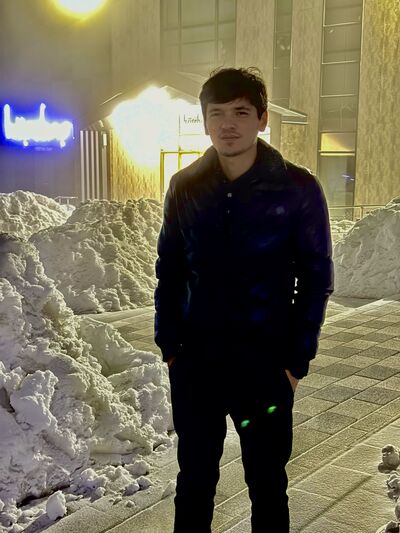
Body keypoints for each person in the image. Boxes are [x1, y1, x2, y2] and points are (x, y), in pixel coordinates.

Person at [154, 67, 334, 533]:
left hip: (265, 366)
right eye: (217, 114)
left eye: (240, 112)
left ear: (262, 119)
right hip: (196, 365)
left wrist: (296, 361)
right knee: (194, 482)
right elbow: (170, 268)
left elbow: (316, 277)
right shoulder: (185, 185)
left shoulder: (297, 188)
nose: (228, 124)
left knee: (267, 484)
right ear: (205, 121)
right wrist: (169, 344)